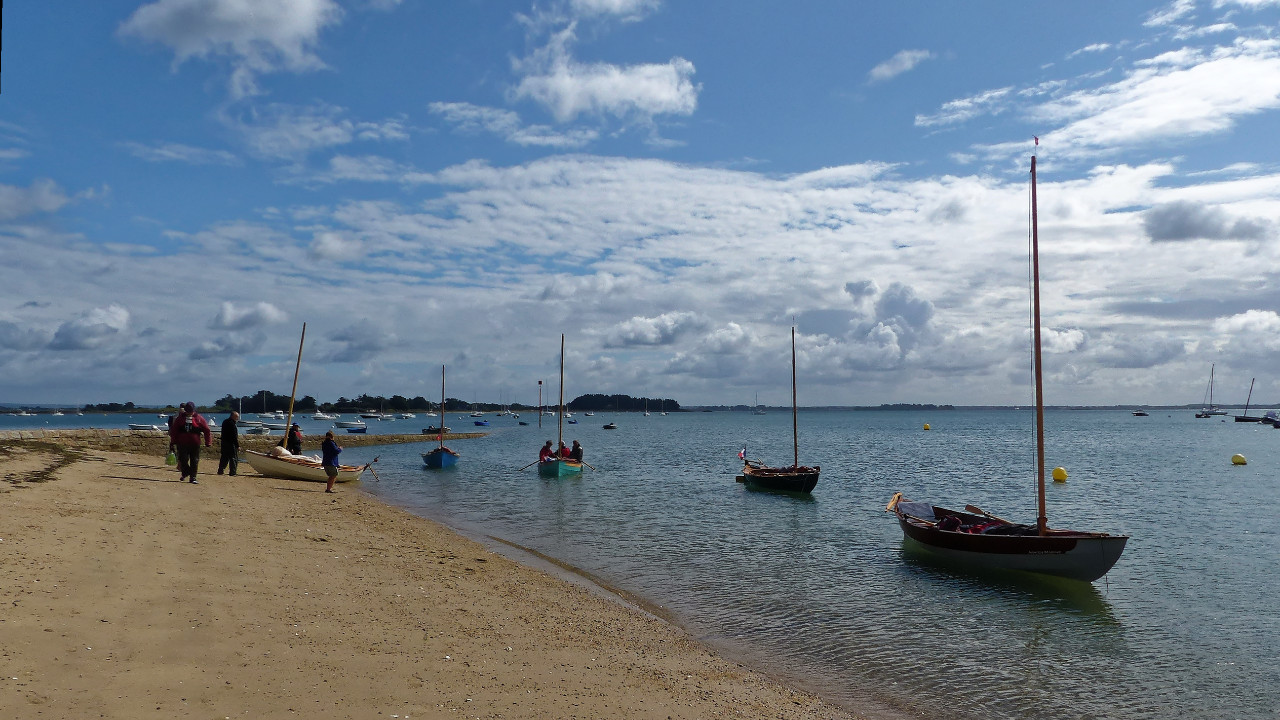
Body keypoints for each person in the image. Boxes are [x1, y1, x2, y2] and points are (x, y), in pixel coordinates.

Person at [168, 401, 212, 484]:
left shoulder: (199, 418)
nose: (189, 412)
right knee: (182, 459)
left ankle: (193, 477)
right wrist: (173, 441)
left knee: (194, 461)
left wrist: (208, 442)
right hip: (182, 443)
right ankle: (187, 472)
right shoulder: (180, 419)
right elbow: (174, 431)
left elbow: (207, 430)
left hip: (195, 443)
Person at [218, 410, 240, 475]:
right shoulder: (232, 424)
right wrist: (237, 445)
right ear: (233, 416)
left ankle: (220, 470)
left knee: (224, 457)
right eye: (237, 417)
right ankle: (233, 472)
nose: (237, 418)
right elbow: (234, 436)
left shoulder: (225, 422)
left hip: (224, 442)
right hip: (231, 443)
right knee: (233, 458)